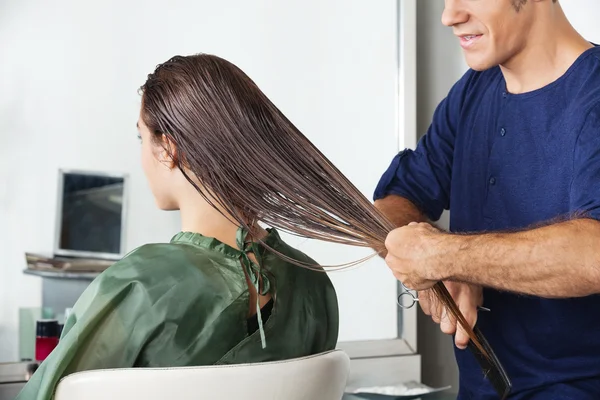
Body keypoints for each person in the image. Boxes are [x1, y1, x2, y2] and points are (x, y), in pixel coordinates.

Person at [16, 54, 341, 400]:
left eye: (142, 138)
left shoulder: (142, 285)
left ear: (168, 150)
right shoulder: (314, 284)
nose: (141, 156)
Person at [376, 0, 600, 399]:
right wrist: (433, 265)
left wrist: (446, 256)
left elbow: (593, 254)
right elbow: (395, 201)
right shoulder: (473, 91)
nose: (450, 16)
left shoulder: (593, 95)